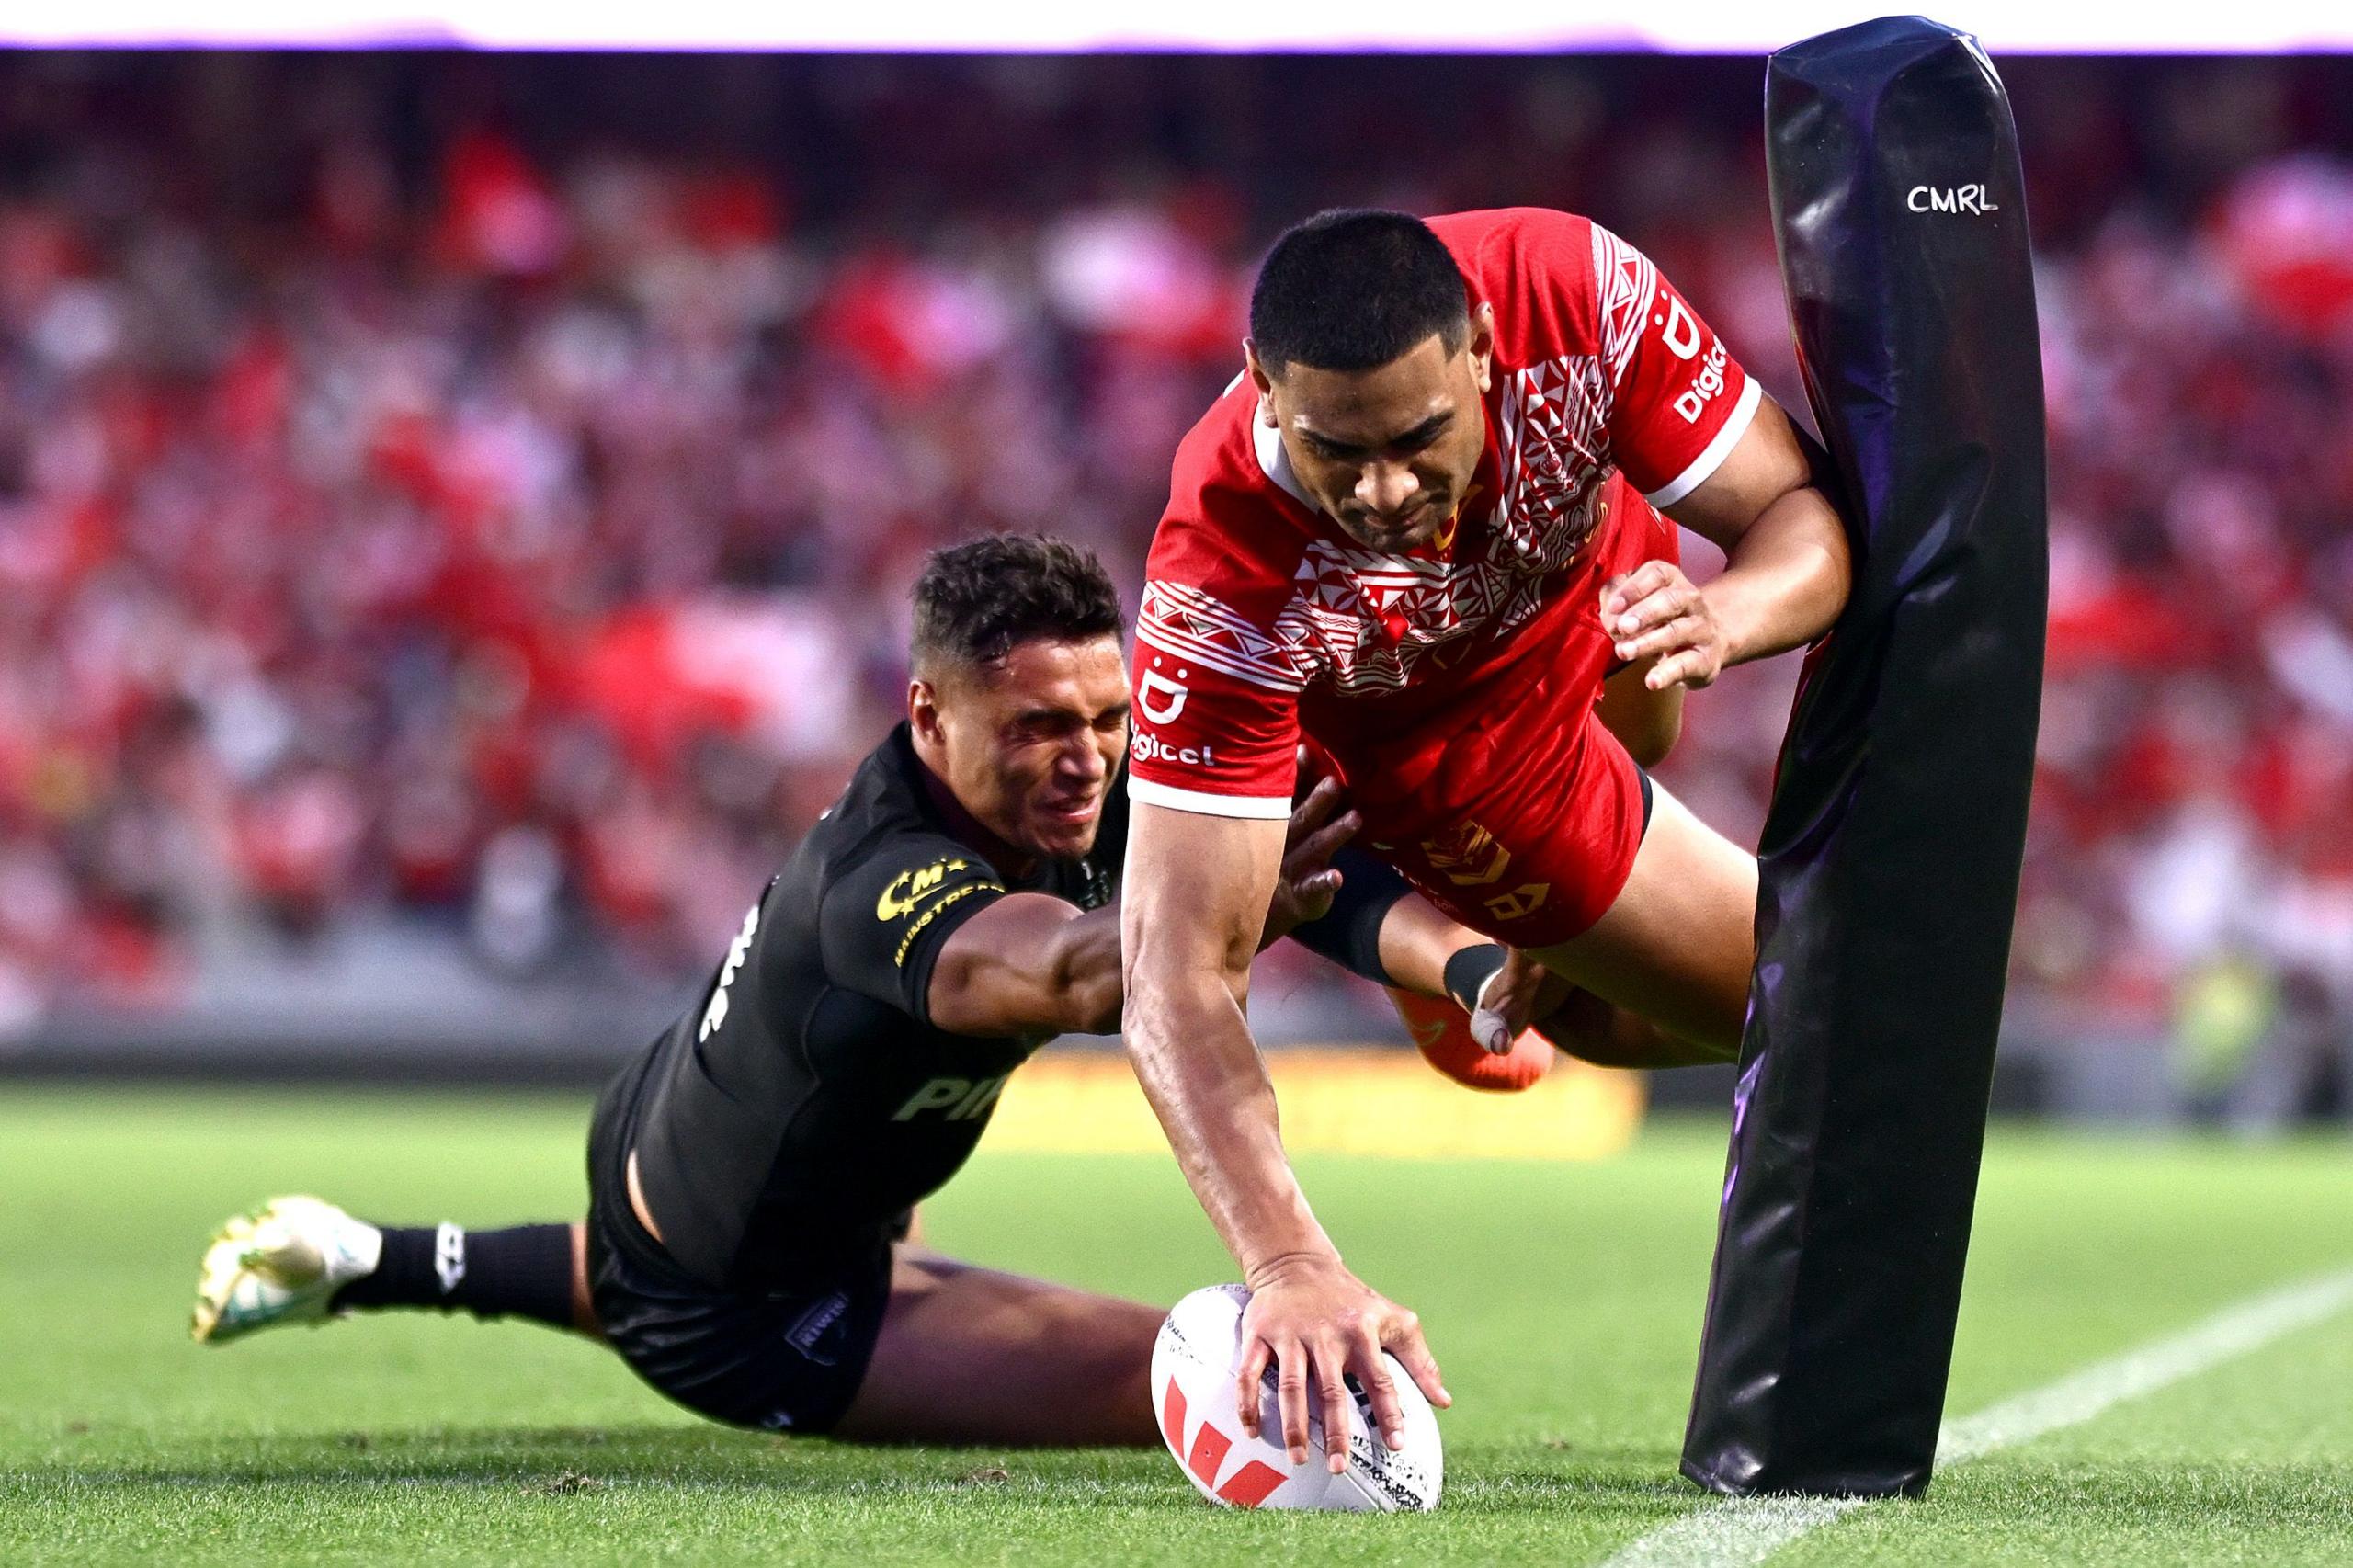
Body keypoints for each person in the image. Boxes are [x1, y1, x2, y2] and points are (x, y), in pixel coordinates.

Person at [190, 534, 1518, 1446]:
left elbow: (1313, 874)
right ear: (928, 715)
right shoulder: (887, 877)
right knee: (1233, 1382)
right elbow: (1066, 967)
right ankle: (391, 1261)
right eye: (1040, 728)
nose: (1089, 761)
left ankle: (369, 1256)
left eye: (1110, 719)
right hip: (757, 1312)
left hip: (687, 1152)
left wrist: (1467, 969)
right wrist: (1220, 902)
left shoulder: (1068, 797)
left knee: (778, 1213)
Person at [1118, 208, 1851, 1472]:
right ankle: (1466, 952)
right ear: (1262, 390)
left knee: (1661, 732)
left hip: (1600, 577)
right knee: (1804, 1009)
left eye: (1417, 437)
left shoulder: (1577, 294)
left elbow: (1805, 513)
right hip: (1459, 745)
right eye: (1336, 451)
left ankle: (1472, 945)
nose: (1385, 490)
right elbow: (1174, 976)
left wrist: (1727, 615)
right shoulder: (1220, 573)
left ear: (1484, 351)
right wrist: (1289, 1262)